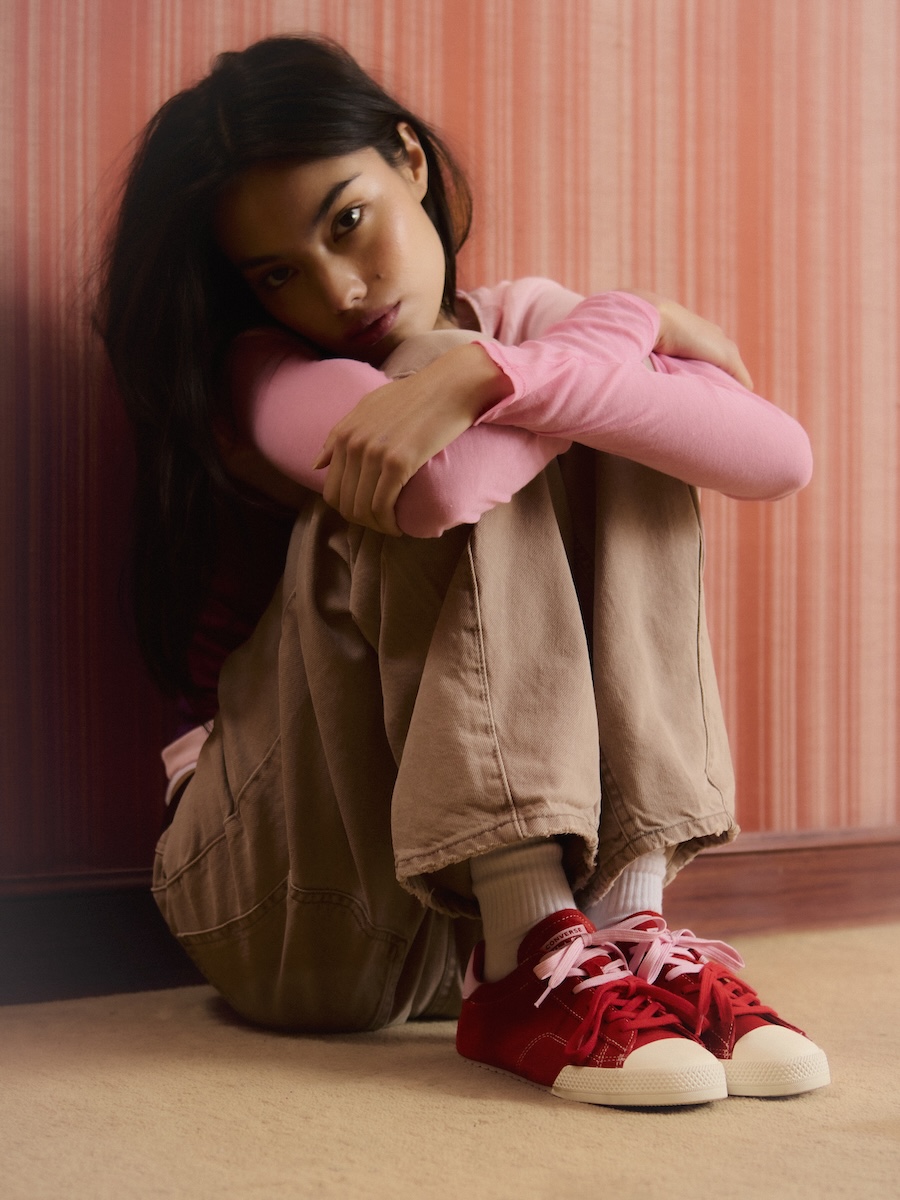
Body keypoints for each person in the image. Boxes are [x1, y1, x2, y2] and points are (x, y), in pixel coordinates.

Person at [99, 34, 829, 1108]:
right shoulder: (260, 374)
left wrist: (540, 359)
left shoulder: (525, 320)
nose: (340, 289)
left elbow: (778, 457)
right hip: (284, 902)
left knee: (605, 414)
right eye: (278, 274)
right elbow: (438, 491)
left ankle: (624, 923)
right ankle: (531, 936)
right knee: (467, 390)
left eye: (348, 221)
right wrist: (620, 329)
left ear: (410, 161)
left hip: (445, 909)